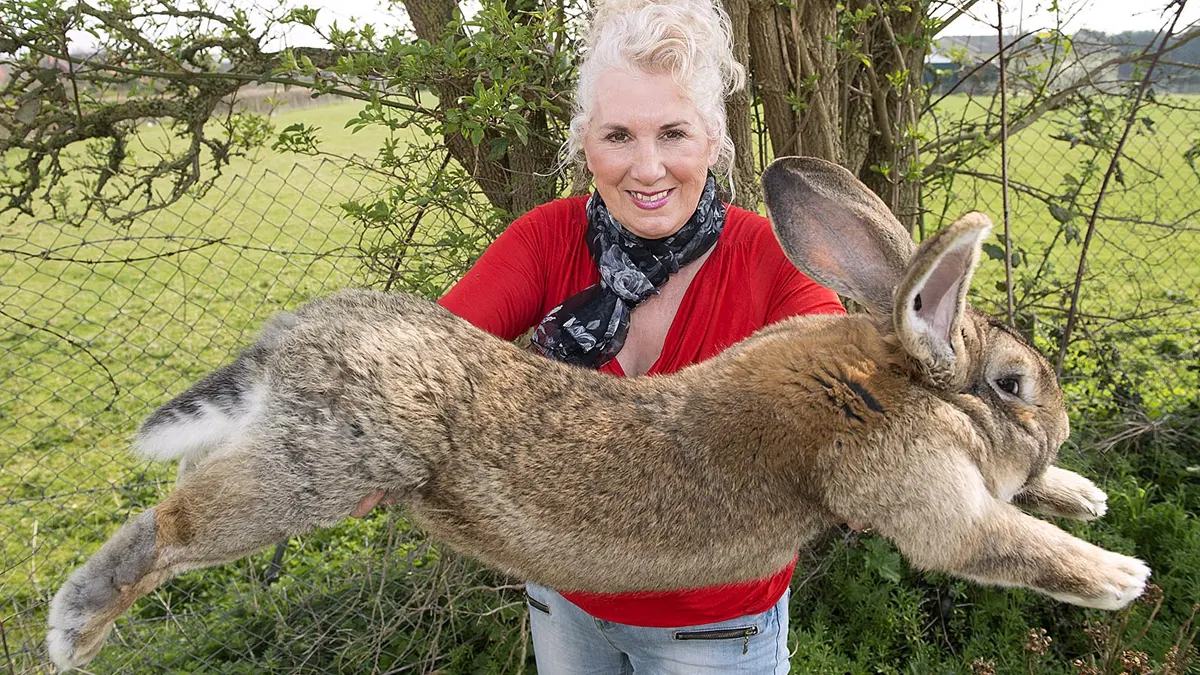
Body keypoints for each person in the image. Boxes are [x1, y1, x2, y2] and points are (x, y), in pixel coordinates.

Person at [357, 0, 843, 671]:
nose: (646, 169)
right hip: (565, 603)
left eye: (673, 133)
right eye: (618, 136)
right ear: (585, 142)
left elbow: (846, 390)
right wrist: (366, 441)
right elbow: (418, 362)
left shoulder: (770, 263)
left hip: (714, 631)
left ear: (713, 140)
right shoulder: (547, 239)